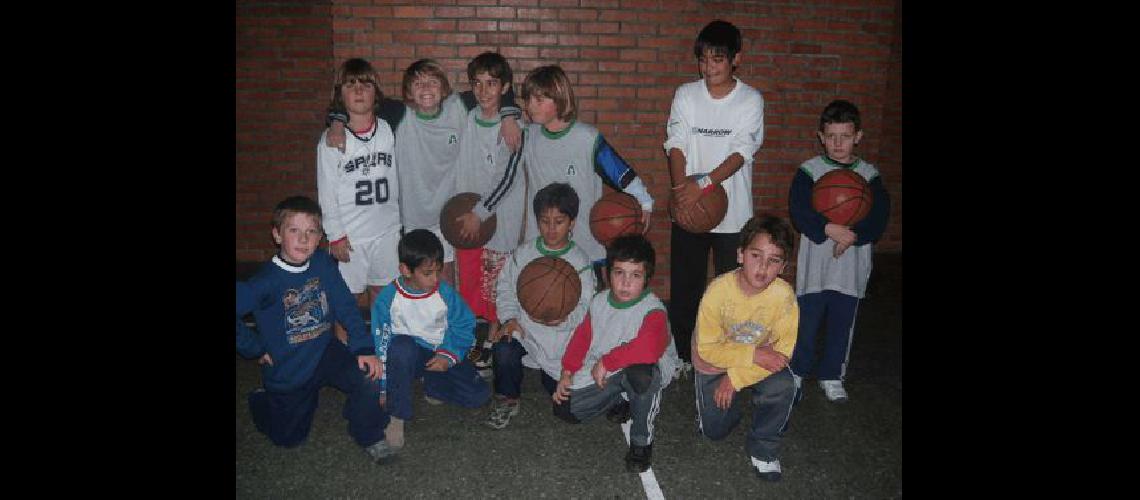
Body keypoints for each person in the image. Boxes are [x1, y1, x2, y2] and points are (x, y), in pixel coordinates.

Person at [323, 59, 524, 287]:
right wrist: (337, 122)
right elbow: (357, 99)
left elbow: (499, 88)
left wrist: (508, 116)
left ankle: (445, 323)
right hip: (411, 219)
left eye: (432, 82)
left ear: (444, 88)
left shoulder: (458, 106)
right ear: (409, 92)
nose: (426, 89)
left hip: (448, 216)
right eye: (418, 84)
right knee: (415, 283)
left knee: (445, 279)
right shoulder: (398, 114)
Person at [235, 196, 395, 464]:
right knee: (289, 439)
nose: (303, 239)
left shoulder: (322, 263)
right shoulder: (264, 282)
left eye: (311, 231)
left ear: (320, 237)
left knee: (369, 374)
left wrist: (364, 348)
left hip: (324, 351)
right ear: (277, 235)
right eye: (293, 230)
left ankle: (369, 433)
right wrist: (254, 347)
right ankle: (262, 400)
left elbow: (345, 303)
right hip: (289, 367)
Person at [664, 20, 766, 371]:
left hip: (732, 213)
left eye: (717, 60)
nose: (708, 68)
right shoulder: (686, 95)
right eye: (704, 60)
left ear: (736, 58)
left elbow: (741, 152)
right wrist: (681, 193)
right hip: (689, 210)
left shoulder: (750, 100)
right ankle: (681, 355)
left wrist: (701, 186)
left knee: (729, 291)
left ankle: (723, 355)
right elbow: (675, 142)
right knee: (686, 287)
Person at [787, 99, 891, 403]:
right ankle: (797, 370)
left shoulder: (869, 175)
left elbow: (879, 216)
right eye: (831, 136)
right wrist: (829, 229)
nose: (837, 143)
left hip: (852, 264)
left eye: (845, 136)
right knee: (807, 320)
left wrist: (853, 236)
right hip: (815, 263)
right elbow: (799, 210)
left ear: (858, 136)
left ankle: (832, 374)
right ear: (821, 136)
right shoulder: (810, 171)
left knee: (842, 323)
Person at [552, 234, 681, 473]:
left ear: (646, 279)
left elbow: (649, 350)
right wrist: (567, 371)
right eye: (619, 272)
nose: (625, 283)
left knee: (640, 374)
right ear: (607, 273)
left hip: (642, 368)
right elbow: (582, 338)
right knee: (565, 410)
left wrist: (607, 361)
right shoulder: (599, 302)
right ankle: (622, 398)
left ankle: (642, 442)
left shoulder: (654, 310)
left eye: (635, 275)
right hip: (610, 370)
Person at [519, 65, 654, 287]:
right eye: (528, 99)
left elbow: (619, 172)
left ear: (560, 99)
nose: (530, 106)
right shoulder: (528, 135)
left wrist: (645, 201)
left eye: (538, 100)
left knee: (591, 311)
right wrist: (507, 117)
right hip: (542, 240)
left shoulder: (586, 138)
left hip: (584, 242)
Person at [692, 214, 798, 482]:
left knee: (784, 384)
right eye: (756, 256)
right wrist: (753, 354)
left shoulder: (784, 296)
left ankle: (764, 449)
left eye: (774, 260)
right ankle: (726, 409)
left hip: (757, 360)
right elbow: (708, 350)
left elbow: (781, 354)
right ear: (740, 255)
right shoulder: (717, 292)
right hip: (716, 356)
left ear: (783, 266)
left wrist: (735, 379)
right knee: (713, 432)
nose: (762, 268)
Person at [370, 229, 492, 453]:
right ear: (406, 270)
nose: (435, 279)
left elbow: (465, 325)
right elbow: (382, 343)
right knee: (401, 347)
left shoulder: (444, 293)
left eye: (438, 271)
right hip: (407, 357)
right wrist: (384, 388)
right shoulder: (389, 298)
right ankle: (397, 414)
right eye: (428, 273)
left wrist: (449, 355)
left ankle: (433, 385)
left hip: (440, 353)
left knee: (479, 396)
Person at [486, 183, 596, 430]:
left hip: (561, 336)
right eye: (545, 221)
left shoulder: (580, 261)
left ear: (572, 223)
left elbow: (586, 305)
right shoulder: (523, 255)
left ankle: (565, 380)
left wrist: (564, 319)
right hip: (525, 328)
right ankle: (507, 397)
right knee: (503, 349)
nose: (551, 228)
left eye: (559, 221)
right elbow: (505, 289)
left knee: (566, 408)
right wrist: (511, 318)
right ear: (537, 221)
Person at [452, 52, 528, 376]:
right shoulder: (469, 118)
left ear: (505, 87)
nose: (484, 91)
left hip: (499, 223)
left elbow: (508, 178)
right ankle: (472, 338)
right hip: (469, 218)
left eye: (492, 84)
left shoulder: (513, 126)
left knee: (497, 286)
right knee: (470, 282)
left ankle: (494, 340)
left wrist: (481, 213)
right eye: (478, 84)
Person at [316, 58, 401, 345]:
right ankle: (346, 357)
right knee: (347, 301)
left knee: (383, 295)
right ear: (340, 93)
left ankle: (382, 353)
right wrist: (335, 235)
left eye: (366, 84)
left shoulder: (389, 129)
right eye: (351, 85)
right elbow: (326, 192)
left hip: (386, 231)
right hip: (351, 236)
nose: (359, 91)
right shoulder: (331, 141)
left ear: (376, 92)